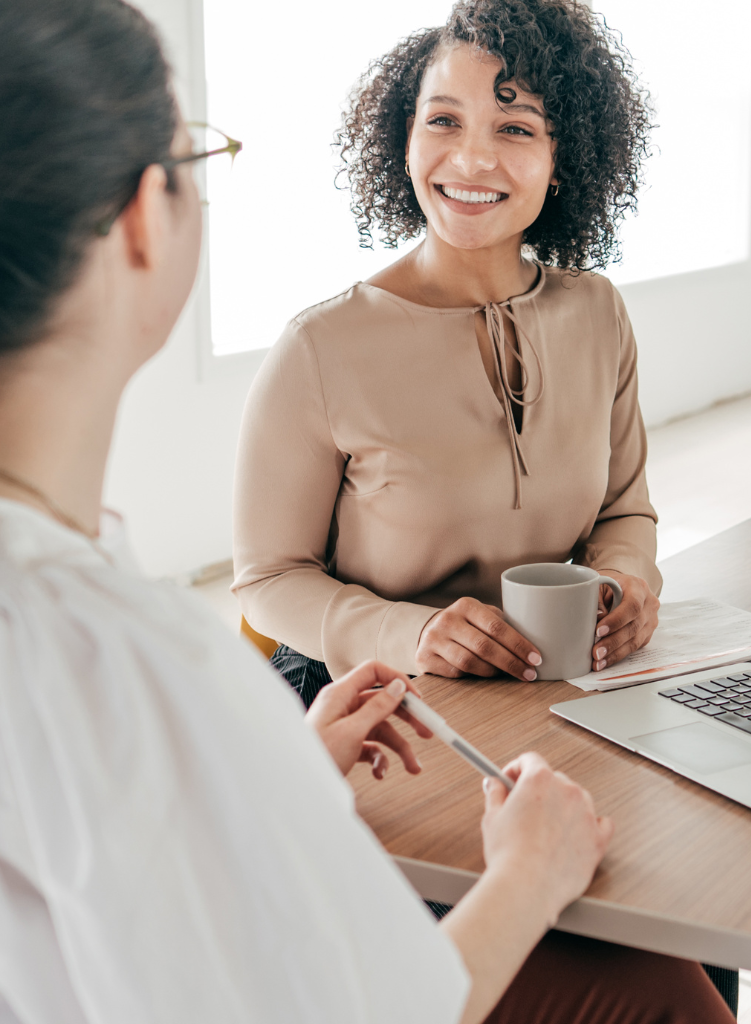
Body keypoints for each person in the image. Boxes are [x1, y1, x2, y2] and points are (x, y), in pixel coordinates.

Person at [0, 1, 751, 1024]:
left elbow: (70, 875)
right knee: (669, 1012)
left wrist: (281, 771)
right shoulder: (108, 649)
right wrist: (531, 870)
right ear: (139, 216)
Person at [232, 0, 663, 705]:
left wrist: (627, 582)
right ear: (405, 139)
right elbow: (267, 582)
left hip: (539, 686)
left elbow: (623, 512)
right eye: (443, 120)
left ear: (564, 160)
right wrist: (413, 634)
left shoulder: (597, 312)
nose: (471, 158)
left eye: (516, 128)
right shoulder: (319, 347)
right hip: (360, 699)